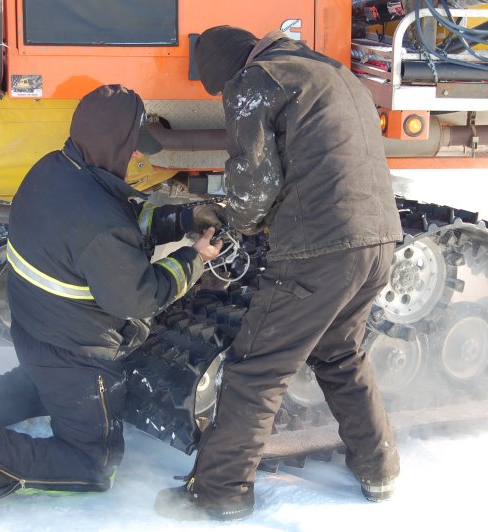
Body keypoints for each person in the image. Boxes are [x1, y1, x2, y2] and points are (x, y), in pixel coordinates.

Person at [0, 84, 224, 515]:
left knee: (38, 387)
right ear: (120, 143)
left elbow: (116, 227)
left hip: (36, 333)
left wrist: (185, 218)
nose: (137, 152)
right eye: (135, 140)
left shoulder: (54, 170)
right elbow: (137, 296)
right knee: (93, 464)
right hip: (77, 353)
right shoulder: (100, 220)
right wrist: (194, 258)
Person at [154, 26, 404, 521]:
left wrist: (232, 224)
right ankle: (380, 470)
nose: (225, 95)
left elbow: (255, 183)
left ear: (230, 71)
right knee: (339, 354)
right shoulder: (333, 75)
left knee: (256, 370)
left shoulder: (254, 81)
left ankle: (220, 492)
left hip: (320, 248)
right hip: (378, 240)